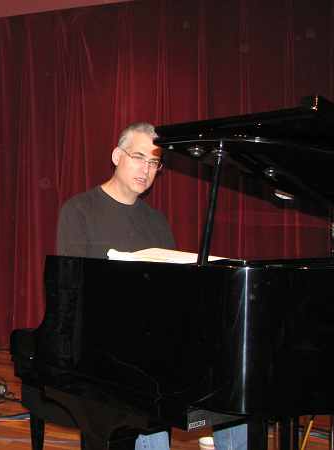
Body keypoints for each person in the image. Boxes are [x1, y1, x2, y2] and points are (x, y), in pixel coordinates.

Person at [56, 122, 247, 450]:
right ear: (117, 156)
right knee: (149, 391)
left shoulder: (157, 222)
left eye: (154, 162)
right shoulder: (79, 211)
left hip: (154, 341)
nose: (146, 169)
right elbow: (73, 294)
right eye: (138, 157)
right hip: (106, 345)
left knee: (234, 385)